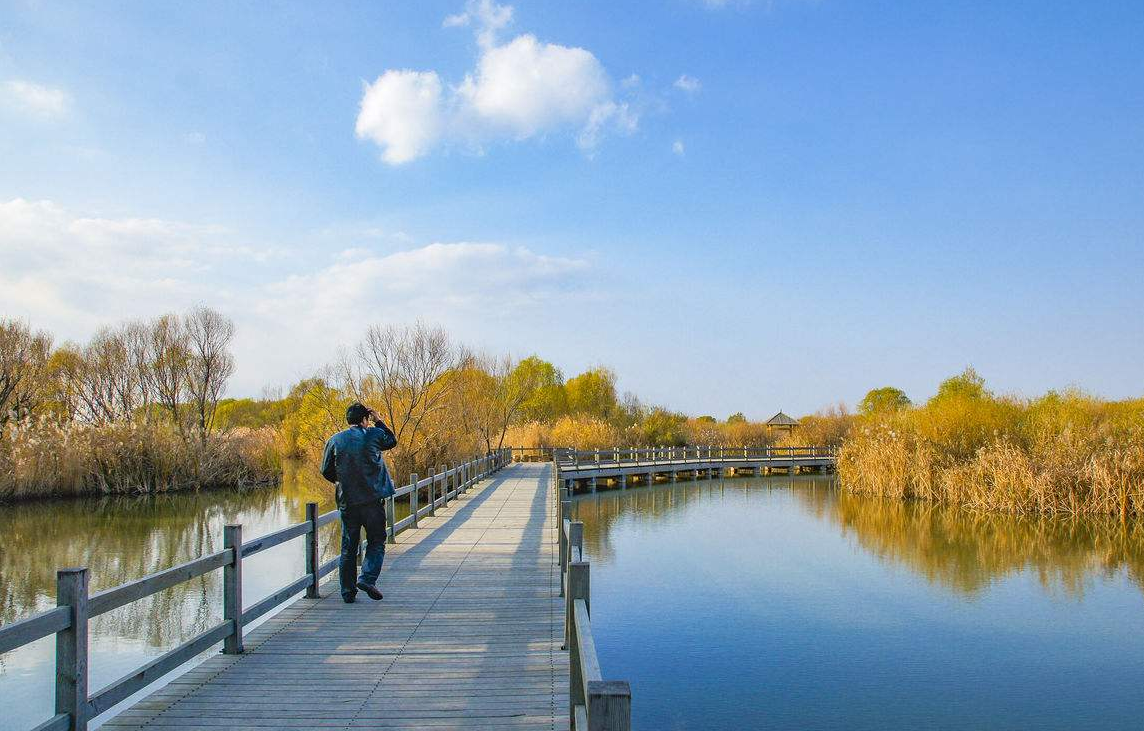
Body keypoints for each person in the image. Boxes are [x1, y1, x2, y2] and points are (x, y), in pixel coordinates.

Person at [320, 402, 397, 603]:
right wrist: (378, 420)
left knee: (348, 546)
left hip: (348, 501)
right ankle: (367, 578)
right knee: (376, 541)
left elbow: (326, 470)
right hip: (373, 500)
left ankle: (347, 592)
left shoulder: (335, 440)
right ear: (365, 419)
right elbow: (391, 441)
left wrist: (341, 480)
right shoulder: (373, 434)